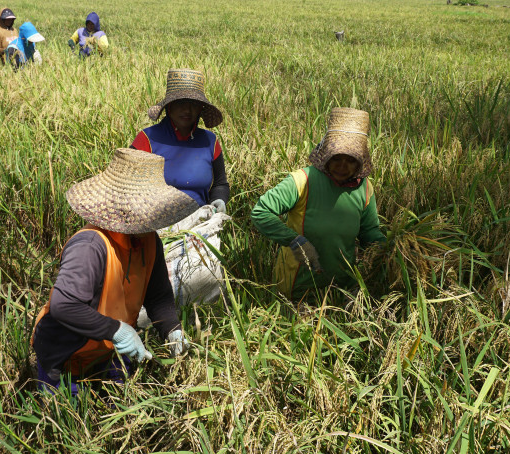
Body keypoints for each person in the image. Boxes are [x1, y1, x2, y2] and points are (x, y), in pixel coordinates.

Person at [32, 148, 196, 395]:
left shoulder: (149, 240)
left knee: (117, 408)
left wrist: (172, 330)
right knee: (68, 421)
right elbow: (64, 305)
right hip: (67, 353)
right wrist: (118, 331)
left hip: (107, 350)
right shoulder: (90, 245)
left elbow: (158, 296)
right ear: (126, 207)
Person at [251, 107, 386, 300]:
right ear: (326, 156)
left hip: (341, 290)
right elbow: (261, 212)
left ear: (359, 162)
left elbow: (369, 232)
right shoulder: (303, 180)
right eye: (337, 158)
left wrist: (388, 249)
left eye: (350, 160)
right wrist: (295, 240)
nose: (342, 165)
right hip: (297, 287)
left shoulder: (364, 188)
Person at [131, 69, 230, 213]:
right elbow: (127, 186)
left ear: (201, 109)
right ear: (169, 107)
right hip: (155, 223)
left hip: (198, 222)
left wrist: (218, 200)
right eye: (181, 103)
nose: (187, 110)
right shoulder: (147, 139)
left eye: (194, 104)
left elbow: (220, 184)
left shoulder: (210, 141)